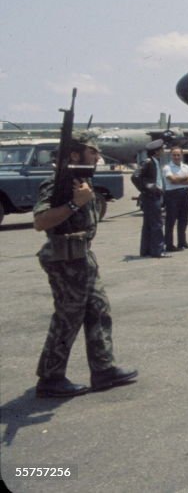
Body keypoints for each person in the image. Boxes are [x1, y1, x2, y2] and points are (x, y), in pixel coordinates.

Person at [33, 132, 137, 397]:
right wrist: (73, 203)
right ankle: (50, 378)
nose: (98, 157)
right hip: (65, 260)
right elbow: (41, 221)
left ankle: (103, 370)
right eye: (93, 152)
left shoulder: (83, 181)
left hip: (83, 257)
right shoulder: (58, 184)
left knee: (99, 311)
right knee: (67, 319)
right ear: (75, 155)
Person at [162, 146, 188, 251]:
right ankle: (169, 245)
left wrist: (179, 180)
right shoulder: (167, 168)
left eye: (178, 155)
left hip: (184, 194)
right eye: (174, 155)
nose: (176, 157)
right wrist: (186, 179)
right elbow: (172, 180)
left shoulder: (186, 167)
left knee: (183, 219)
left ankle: (182, 242)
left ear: (182, 155)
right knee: (171, 220)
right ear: (171, 156)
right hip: (172, 195)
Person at [139, 140, 167, 258]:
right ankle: (158, 250)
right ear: (156, 151)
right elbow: (135, 176)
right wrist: (147, 188)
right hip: (151, 196)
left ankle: (146, 250)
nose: (163, 151)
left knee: (148, 224)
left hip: (153, 195)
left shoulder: (155, 161)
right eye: (161, 149)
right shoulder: (148, 162)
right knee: (157, 223)